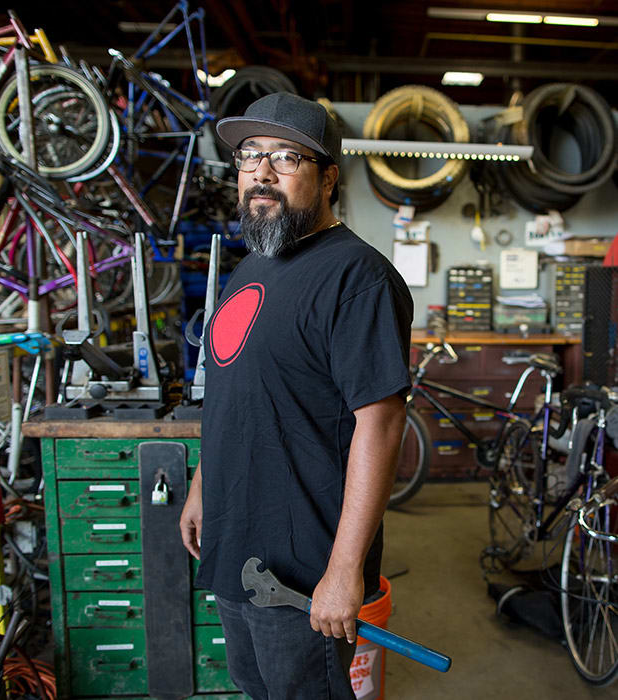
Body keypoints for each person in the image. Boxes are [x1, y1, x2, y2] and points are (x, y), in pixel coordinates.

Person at [180, 92, 413, 699]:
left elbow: (381, 425)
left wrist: (344, 572)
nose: (261, 171)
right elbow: (237, 395)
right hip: (237, 539)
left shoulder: (358, 278)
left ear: (328, 176)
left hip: (303, 565)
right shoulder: (251, 266)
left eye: (286, 157)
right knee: (254, 687)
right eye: (249, 156)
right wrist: (205, 486)